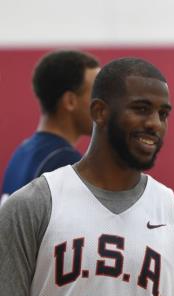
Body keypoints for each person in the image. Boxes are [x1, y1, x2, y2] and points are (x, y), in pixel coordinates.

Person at [0, 57, 174, 296]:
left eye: (163, 114)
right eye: (141, 109)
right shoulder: (32, 205)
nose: (155, 123)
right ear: (99, 112)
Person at [1, 50, 100, 203]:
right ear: (70, 101)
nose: (102, 104)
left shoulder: (22, 152)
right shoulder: (66, 164)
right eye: (96, 93)